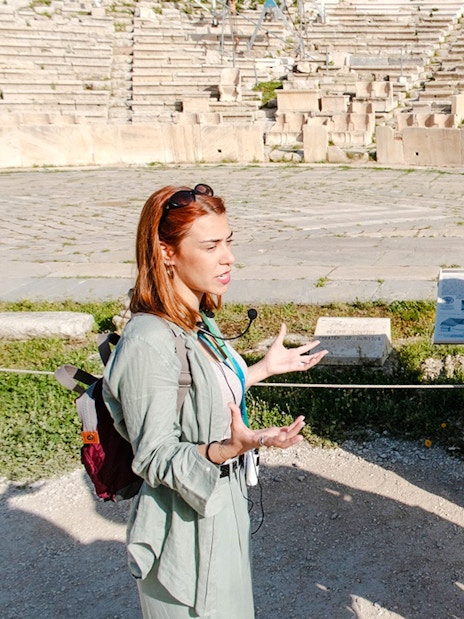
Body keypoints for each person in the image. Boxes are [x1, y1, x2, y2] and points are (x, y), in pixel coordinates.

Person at [102, 183, 328, 618]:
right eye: (210, 246)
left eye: (228, 241)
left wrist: (261, 369)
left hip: (220, 507)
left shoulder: (198, 319)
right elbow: (153, 455)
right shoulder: (149, 339)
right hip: (182, 530)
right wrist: (229, 449)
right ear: (166, 252)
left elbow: (203, 398)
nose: (228, 257)